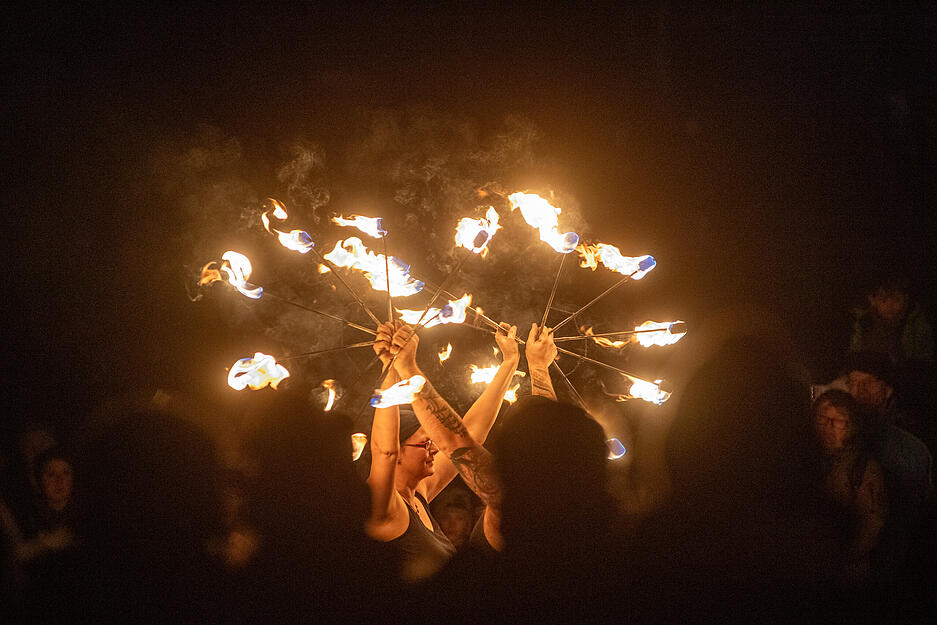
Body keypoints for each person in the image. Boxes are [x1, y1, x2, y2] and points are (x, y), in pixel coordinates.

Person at [364, 319, 519, 582]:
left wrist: (509, 363)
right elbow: (383, 451)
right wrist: (391, 368)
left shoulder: (419, 495)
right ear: (398, 452)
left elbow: (469, 437)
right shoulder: (383, 506)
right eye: (425, 443)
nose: (434, 449)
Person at [811, 390, 887, 583]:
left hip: (847, 572)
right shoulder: (806, 462)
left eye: (838, 421)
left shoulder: (863, 468)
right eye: (823, 419)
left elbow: (873, 524)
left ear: (852, 425)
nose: (829, 427)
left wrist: (843, 559)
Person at [849, 272, 934, 364]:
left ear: (906, 299)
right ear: (873, 300)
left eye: (896, 299)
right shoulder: (864, 321)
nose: (890, 305)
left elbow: (925, 355)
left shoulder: (914, 321)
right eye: (884, 300)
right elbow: (854, 351)